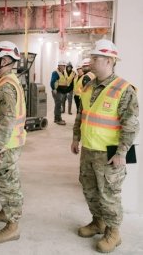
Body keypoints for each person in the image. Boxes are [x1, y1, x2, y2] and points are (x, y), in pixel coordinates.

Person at [71, 39, 139, 253]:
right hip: (89, 150)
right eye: (91, 57)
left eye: (95, 57)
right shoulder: (88, 85)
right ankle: (97, 222)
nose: (91, 61)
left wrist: (122, 152)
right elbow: (82, 115)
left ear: (109, 61)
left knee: (109, 194)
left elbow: (131, 124)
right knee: (90, 190)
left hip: (109, 154)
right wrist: (76, 138)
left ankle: (114, 232)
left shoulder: (124, 89)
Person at [0, 41, 26, 243]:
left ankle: (12, 226)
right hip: (7, 144)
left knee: (9, 185)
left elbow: (7, 120)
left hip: (6, 146)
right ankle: (5, 211)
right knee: (3, 182)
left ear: (6, 61)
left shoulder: (6, 87)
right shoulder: (7, 81)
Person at [50, 60, 67, 125]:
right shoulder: (55, 72)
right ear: (59, 66)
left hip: (61, 91)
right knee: (58, 105)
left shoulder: (63, 72)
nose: (64, 67)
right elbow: (52, 81)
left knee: (59, 105)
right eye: (63, 66)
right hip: (57, 91)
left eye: (64, 66)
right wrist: (53, 89)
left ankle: (58, 118)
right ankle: (57, 119)